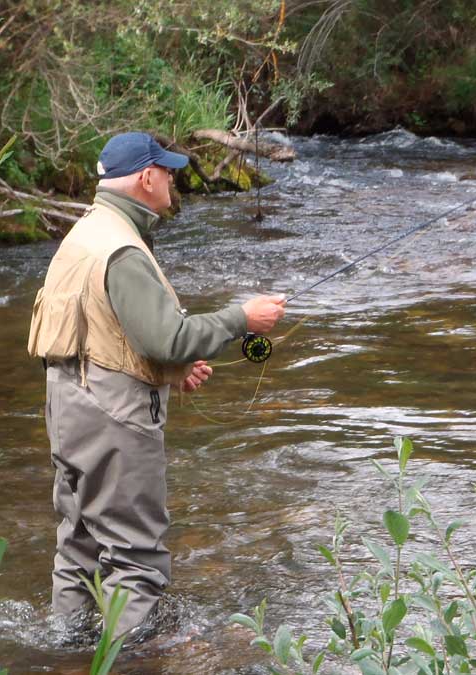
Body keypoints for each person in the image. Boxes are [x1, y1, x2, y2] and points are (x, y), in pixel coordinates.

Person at [27, 131, 286, 639]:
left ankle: (66, 653)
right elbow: (167, 338)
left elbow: (101, 331)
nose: (173, 179)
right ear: (146, 178)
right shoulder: (123, 249)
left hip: (67, 407)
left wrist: (173, 369)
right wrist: (242, 319)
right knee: (136, 558)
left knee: (77, 545)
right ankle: (133, 660)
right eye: (167, 171)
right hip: (112, 417)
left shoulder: (85, 233)